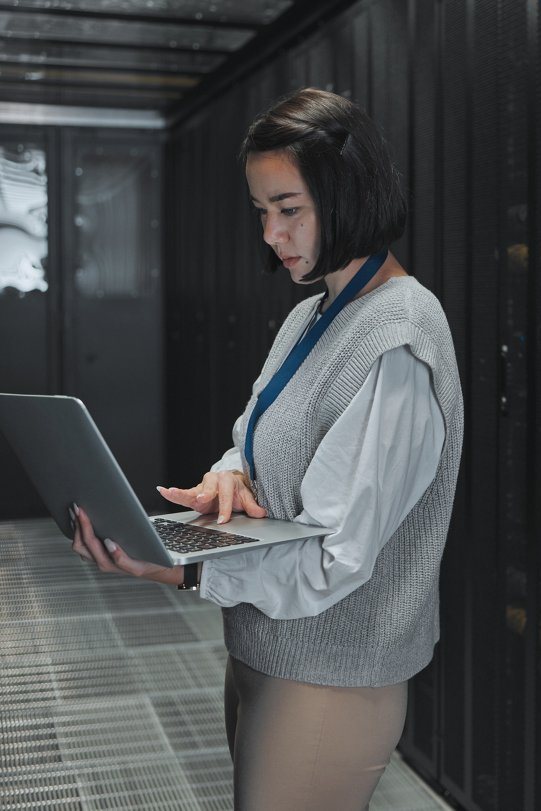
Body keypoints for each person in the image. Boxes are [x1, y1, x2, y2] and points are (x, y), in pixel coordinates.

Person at [68, 86, 464, 811]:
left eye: (289, 209)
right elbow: (254, 435)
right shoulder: (311, 314)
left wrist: (183, 570)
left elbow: (334, 557)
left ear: (348, 195)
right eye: (261, 212)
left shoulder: (399, 336)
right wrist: (228, 478)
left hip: (330, 677)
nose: (271, 234)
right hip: (263, 648)